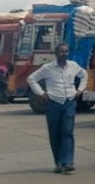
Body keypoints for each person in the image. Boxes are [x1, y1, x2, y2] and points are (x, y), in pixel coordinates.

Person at [27, 43, 87, 173]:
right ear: (56, 53)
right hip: (54, 103)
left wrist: (80, 90)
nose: (64, 54)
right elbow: (31, 79)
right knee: (55, 133)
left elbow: (84, 75)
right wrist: (41, 93)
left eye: (66, 51)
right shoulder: (47, 68)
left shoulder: (73, 65)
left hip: (69, 102)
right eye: (61, 51)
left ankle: (68, 162)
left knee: (67, 131)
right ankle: (59, 163)